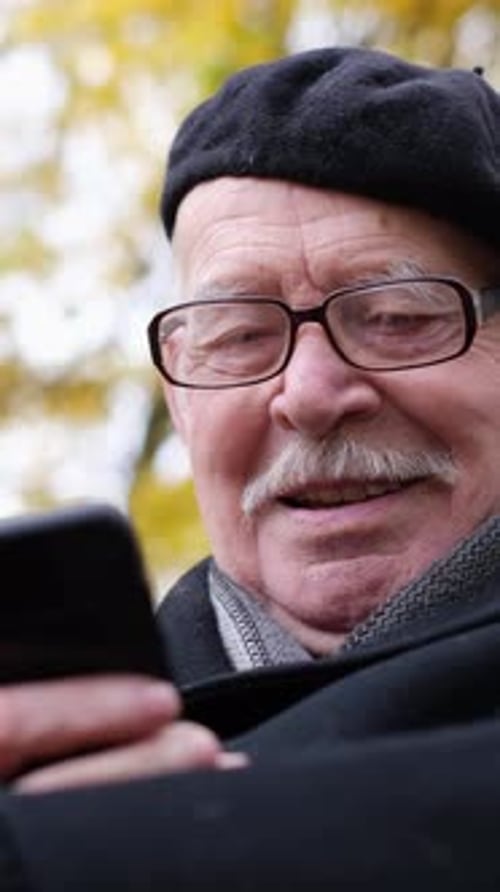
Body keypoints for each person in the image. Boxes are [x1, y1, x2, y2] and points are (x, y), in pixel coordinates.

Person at [1, 44, 500, 890]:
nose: (307, 394)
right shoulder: (47, 725)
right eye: (238, 337)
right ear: (178, 402)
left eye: (396, 316)